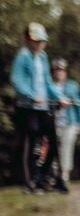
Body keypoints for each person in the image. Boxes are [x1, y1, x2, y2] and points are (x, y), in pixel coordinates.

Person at [10, 22, 68, 193]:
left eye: (41, 41)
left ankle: (42, 177)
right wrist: (31, 95)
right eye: (36, 41)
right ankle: (28, 182)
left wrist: (59, 97)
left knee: (54, 142)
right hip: (27, 107)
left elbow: (48, 83)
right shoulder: (23, 56)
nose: (39, 44)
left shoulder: (42, 57)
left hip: (43, 108)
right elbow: (16, 80)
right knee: (29, 144)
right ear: (28, 40)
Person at [50, 57, 80, 189]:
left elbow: (79, 105)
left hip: (69, 122)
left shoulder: (72, 86)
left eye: (62, 70)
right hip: (53, 122)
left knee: (67, 149)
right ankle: (54, 176)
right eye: (57, 70)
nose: (59, 73)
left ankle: (65, 176)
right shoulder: (49, 85)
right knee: (54, 150)